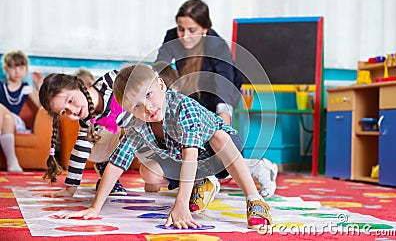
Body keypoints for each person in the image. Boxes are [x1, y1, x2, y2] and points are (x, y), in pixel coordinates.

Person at [60, 64, 272, 230]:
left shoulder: (183, 108)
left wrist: (180, 204)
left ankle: (254, 199)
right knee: (149, 172)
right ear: (127, 110)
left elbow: (191, 155)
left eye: (149, 95)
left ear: (161, 85)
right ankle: (203, 182)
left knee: (218, 137)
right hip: (192, 165)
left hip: (219, 153)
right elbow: (117, 163)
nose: (148, 108)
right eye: (136, 106)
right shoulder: (137, 124)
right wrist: (95, 208)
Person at [155, 0, 278, 197]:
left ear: (205, 29)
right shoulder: (172, 36)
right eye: (180, 29)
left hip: (218, 94)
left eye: (192, 30)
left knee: (219, 147)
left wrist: (224, 113)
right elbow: (161, 66)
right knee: (188, 146)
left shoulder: (217, 46)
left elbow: (224, 82)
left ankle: (260, 168)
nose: (184, 36)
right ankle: (201, 178)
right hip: (192, 93)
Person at [38, 70, 132, 197]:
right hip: (138, 138)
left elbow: (141, 77)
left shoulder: (111, 81)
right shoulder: (88, 121)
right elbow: (79, 153)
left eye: (70, 100)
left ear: (78, 86)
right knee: (150, 177)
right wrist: (70, 190)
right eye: (64, 112)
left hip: (154, 124)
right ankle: (104, 167)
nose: (72, 111)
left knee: (153, 181)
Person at [0, 50, 43, 172]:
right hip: (4, 121)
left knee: (6, 114)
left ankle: (12, 160)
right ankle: (12, 161)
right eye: (13, 67)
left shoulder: (26, 89)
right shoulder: (1, 85)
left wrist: (38, 85)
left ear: (26, 69)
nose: (17, 71)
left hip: (17, 122)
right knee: (6, 118)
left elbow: (42, 106)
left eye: (21, 67)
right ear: (6, 68)